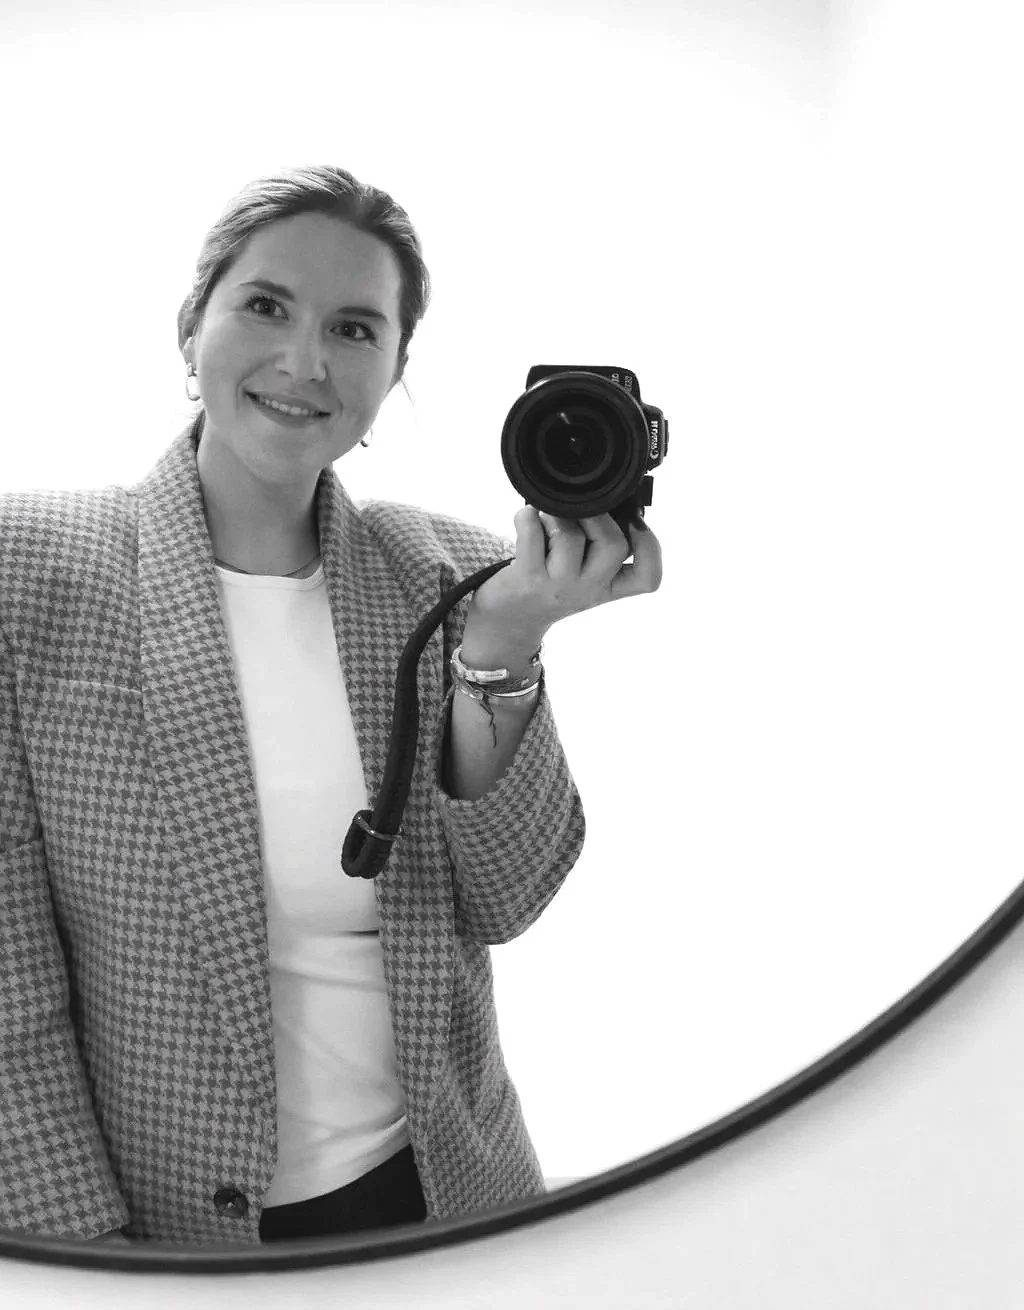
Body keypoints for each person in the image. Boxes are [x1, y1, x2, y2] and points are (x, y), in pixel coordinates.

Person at [0, 165, 663, 1248]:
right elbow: (7, 988)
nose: (305, 361)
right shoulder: (32, 572)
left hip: (457, 1207)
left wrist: (508, 639)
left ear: (395, 369)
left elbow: (507, 898)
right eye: (266, 305)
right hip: (174, 1235)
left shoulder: (450, 570)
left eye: (355, 328)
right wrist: (94, 1262)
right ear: (190, 326)